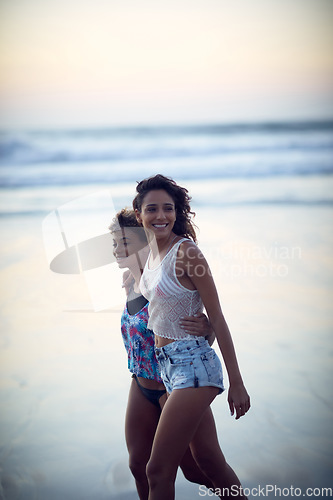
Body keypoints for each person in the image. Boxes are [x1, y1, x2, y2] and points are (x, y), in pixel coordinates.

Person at [133, 174, 251, 500]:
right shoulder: (150, 257)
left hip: (194, 366)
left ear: (177, 211)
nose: (161, 216)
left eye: (168, 208)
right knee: (208, 462)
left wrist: (237, 381)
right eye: (152, 209)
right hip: (168, 368)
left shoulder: (187, 253)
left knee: (156, 471)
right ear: (139, 213)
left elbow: (218, 317)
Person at [109, 209, 215, 500]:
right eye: (114, 243)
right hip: (141, 384)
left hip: (176, 387)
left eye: (124, 242)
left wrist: (208, 327)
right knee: (139, 467)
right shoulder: (130, 283)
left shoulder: (166, 283)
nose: (117, 249)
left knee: (197, 470)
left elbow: (204, 333)